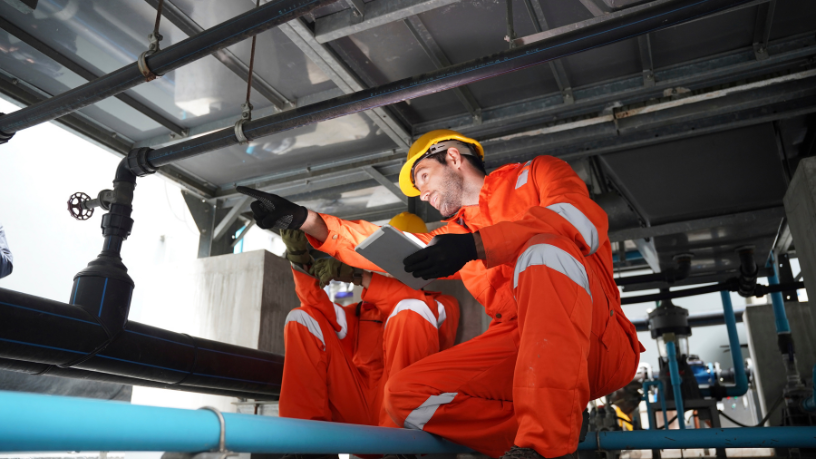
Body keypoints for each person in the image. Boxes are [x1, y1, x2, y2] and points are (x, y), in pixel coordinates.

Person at [238, 129, 644, 459]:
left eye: (424, 178)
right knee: (404, 395)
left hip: (595, 337)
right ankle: (553, 424)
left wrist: (478, 247)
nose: (422, 194)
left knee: (542, 252)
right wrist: (306, 220)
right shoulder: (456, 235)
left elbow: (581, 221)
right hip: (524, 353)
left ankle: (545, 446)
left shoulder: (537, 174)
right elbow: (383, 248)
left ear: (453, 157)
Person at [277, 220, 460, 429]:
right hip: (356, 408)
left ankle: (399, 443)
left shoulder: (441, 306)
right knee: (301, 318)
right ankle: (303, 440)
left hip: (404, 418)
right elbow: (316, 310)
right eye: (392, 259)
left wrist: (359, 276)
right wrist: (299, 260)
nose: (396, 267)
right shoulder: (360, 311)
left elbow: (409, 302)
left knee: (412, 308)